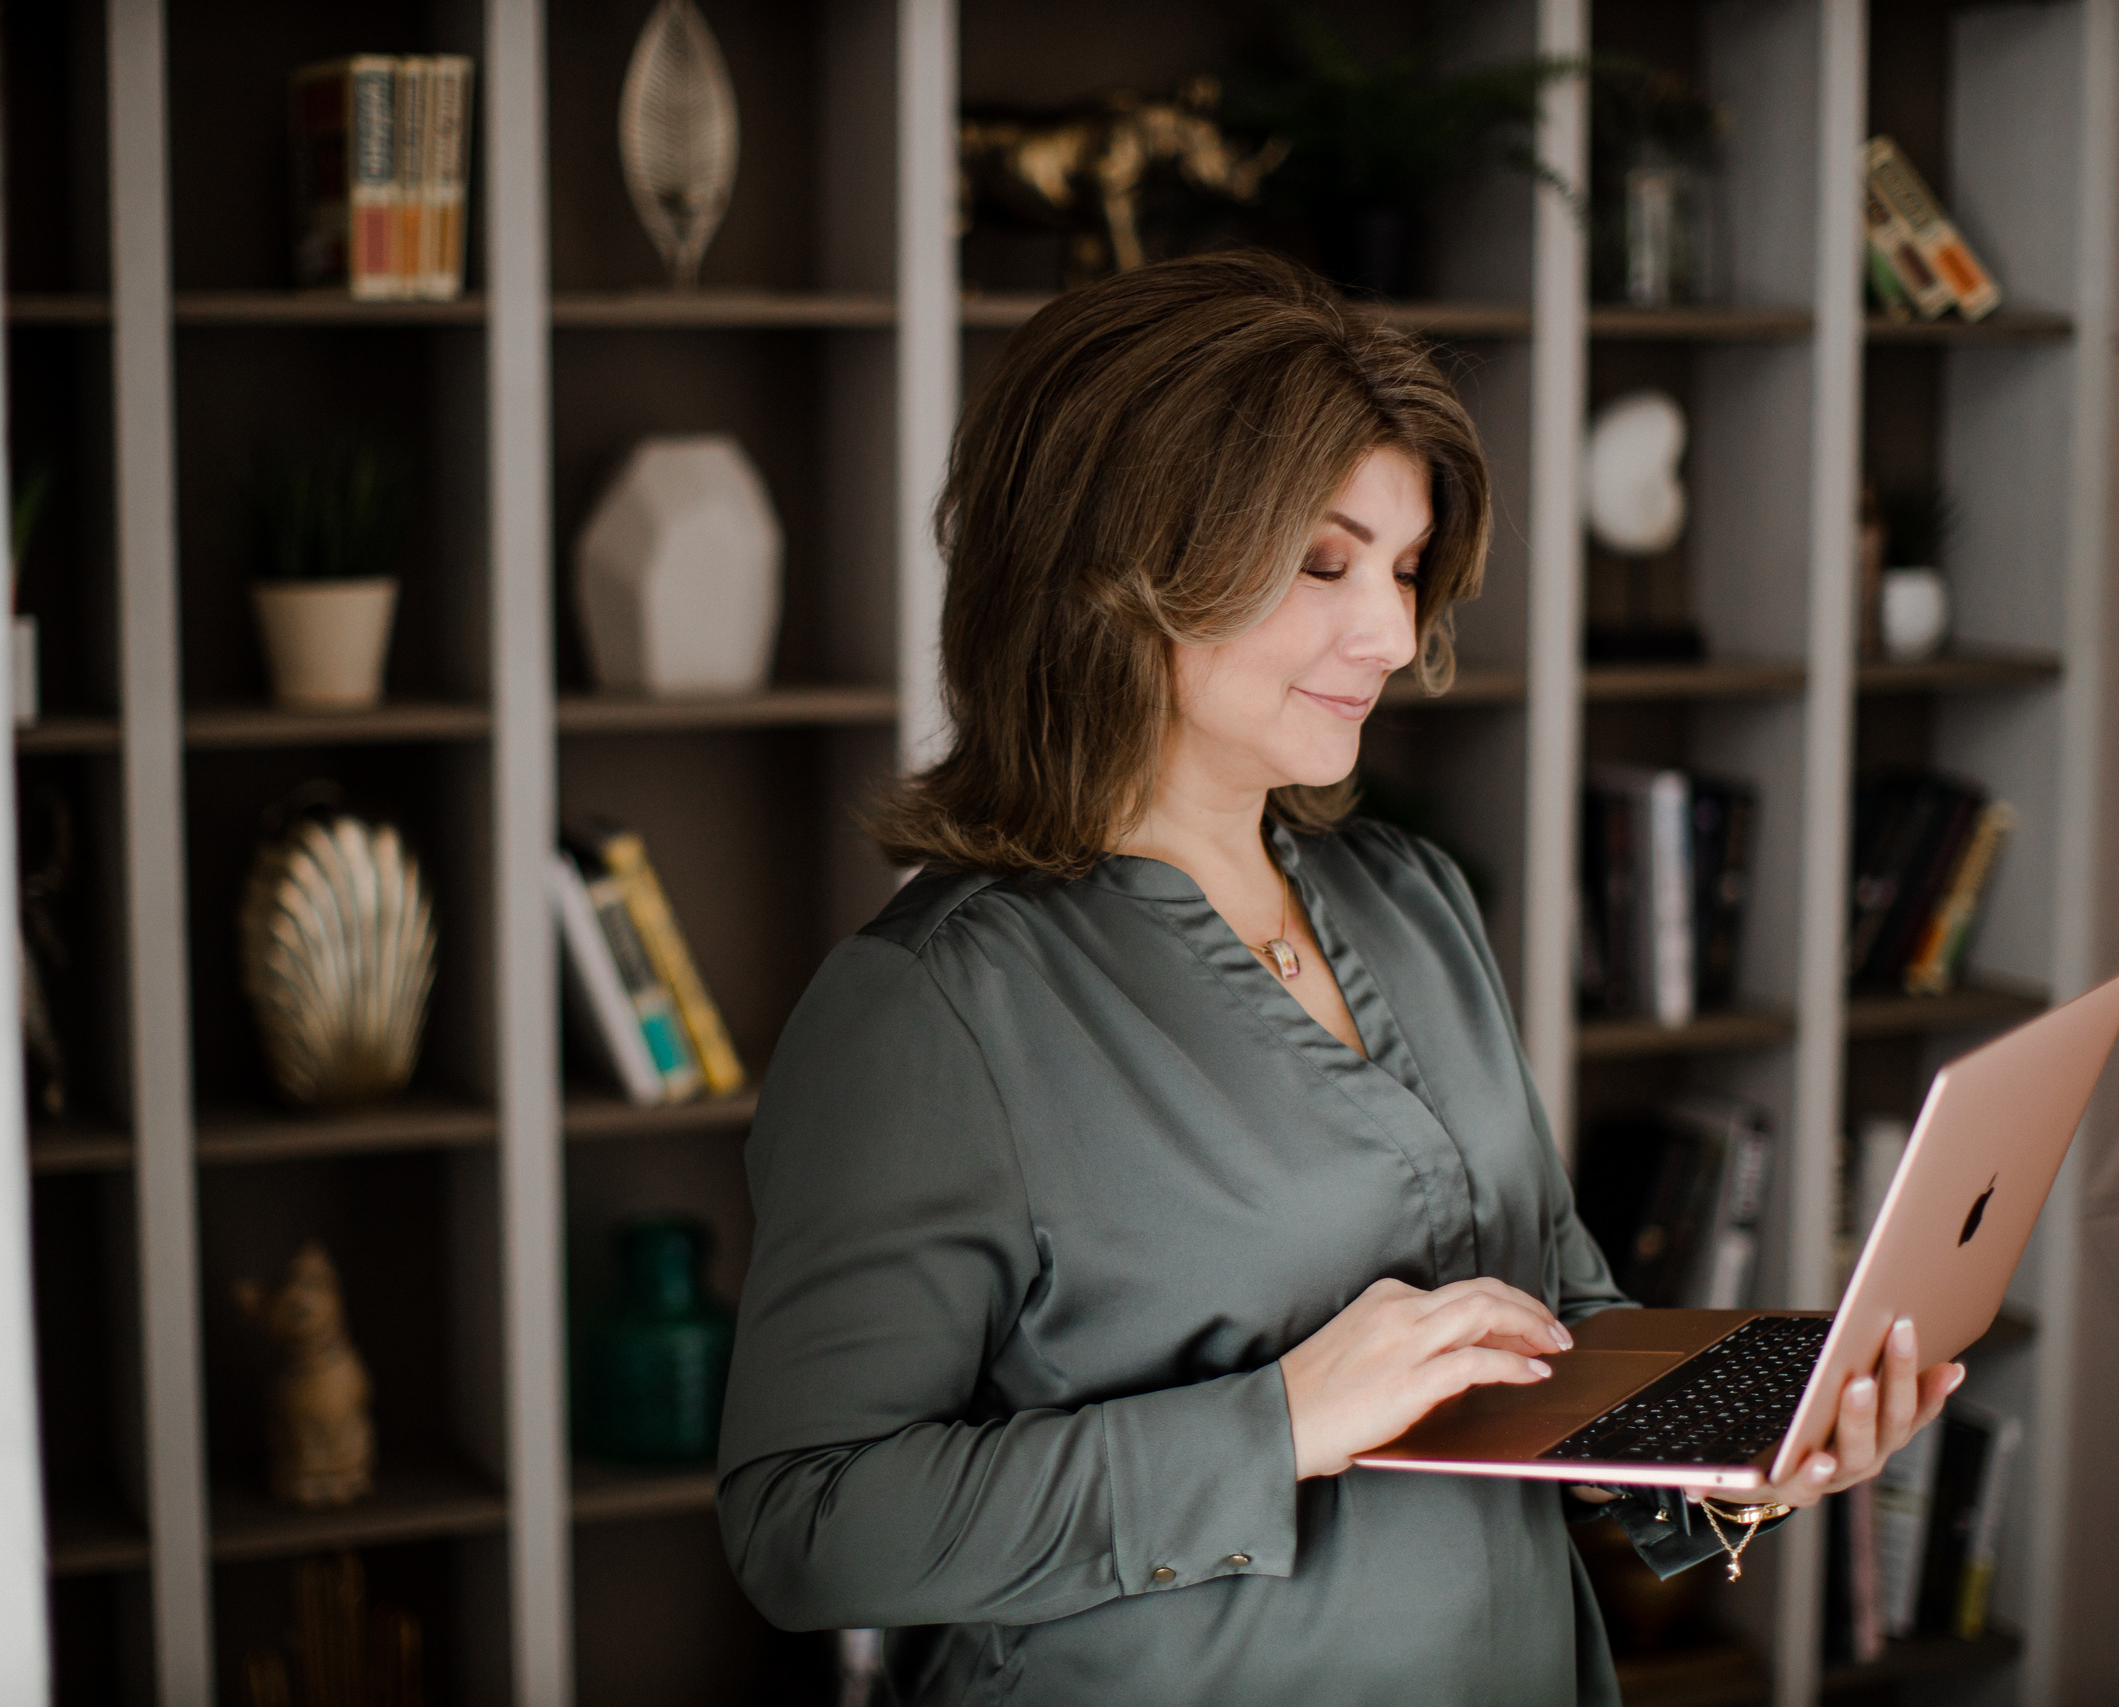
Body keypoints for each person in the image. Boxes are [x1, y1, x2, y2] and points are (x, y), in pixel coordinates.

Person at [715, 251, 1958, 1705]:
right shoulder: (934, 1009)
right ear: (1114, 567)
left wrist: (1739, 1453)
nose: (1391, 632)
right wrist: (1278, 1421)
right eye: (1323, 562)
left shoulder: (1413, 898)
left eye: (1406, 566)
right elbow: (805, 1527)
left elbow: (1555, 1315)